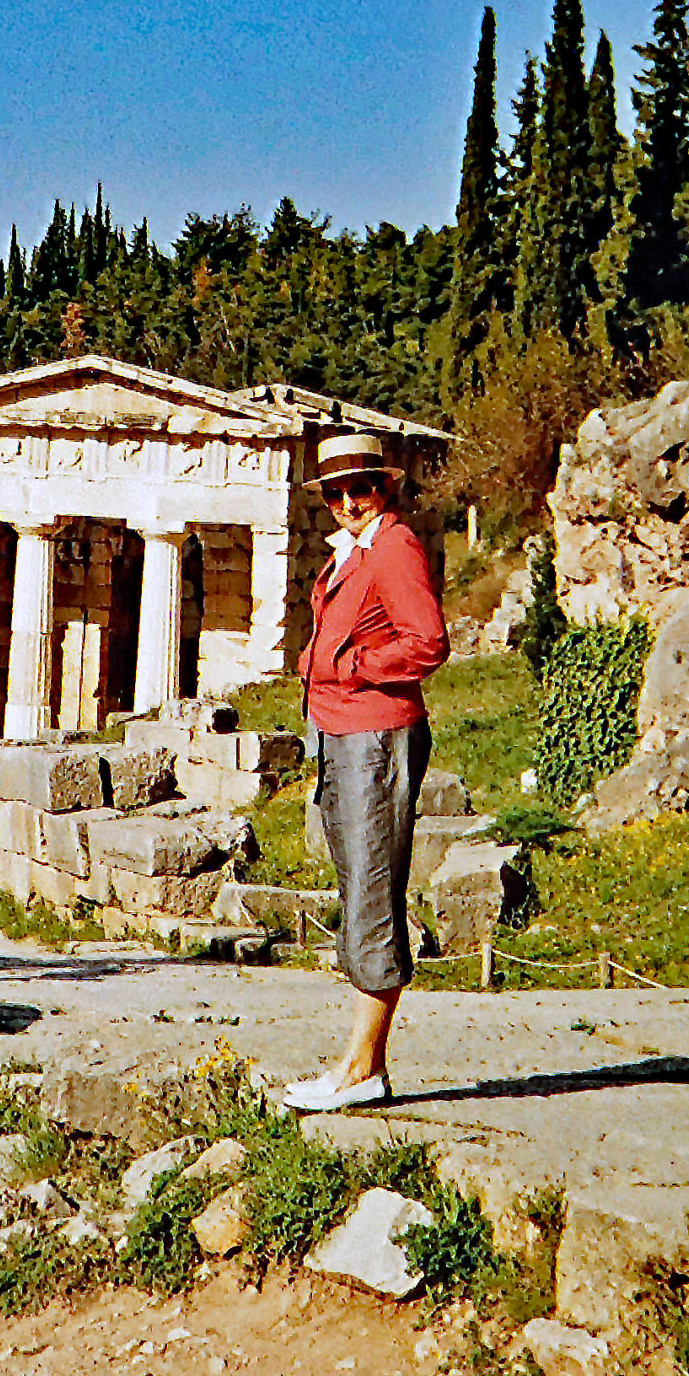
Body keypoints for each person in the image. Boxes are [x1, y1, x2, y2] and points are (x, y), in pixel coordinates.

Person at [282, 431, 448, 1113]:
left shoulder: (395, 546)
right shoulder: (354, 550)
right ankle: (361, 1064)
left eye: (363, 488)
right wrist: (314, 662)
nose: (350, 502)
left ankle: (361, 1070)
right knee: (359, 889)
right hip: (340, 734)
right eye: (336, 493)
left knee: (373, 891)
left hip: (375, 735)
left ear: (385, 488)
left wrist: (346, 666)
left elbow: (428, 642)